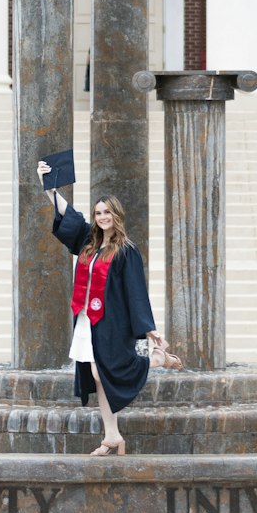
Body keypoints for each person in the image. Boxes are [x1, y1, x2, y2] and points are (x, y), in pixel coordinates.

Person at [37, 160, 175, 456]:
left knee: (104, 373)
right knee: (96, 374)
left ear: (116, 215)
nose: (101, 218)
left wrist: (149, 329)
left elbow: (136, 290)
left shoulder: (126, 250)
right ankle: (112, 436)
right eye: (98, 213)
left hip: (111, 322)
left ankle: (154, 361)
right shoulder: (90, 242)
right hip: (87, 320)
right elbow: (68, 215)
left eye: (106, 213)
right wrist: (49, 187)